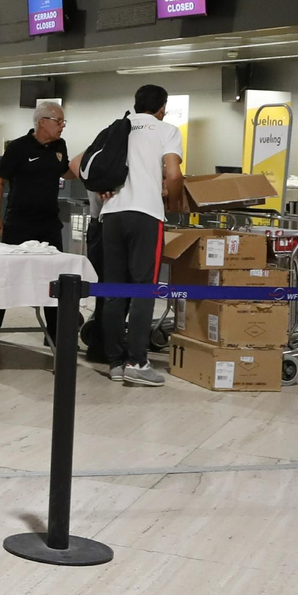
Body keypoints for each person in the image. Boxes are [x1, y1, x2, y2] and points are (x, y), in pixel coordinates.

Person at [100, 84, 184, 386]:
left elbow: (76, 164)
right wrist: (175, 205)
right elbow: (173, 174)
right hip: (146, 215)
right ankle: (137, 361)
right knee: (143, 290)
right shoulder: (167, 130)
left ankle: (114, 361)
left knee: (113, 291)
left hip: (111, 215)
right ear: (162, 108)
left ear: (136, 104)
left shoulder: (117, 127)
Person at [0, 101, 73, 338]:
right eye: (59, 121)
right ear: (42, 122)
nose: (63, 126)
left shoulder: (60, 146)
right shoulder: (18, 147)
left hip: (49, 223)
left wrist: (90, 169)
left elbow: (65, 170)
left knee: (55, 278)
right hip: (19, 222)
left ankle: (55, 336)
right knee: (5, 274)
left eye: (64, 122)